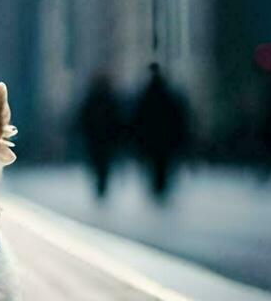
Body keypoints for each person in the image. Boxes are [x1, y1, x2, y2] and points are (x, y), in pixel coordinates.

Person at [129, 63, 189, 201]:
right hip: (166, 139)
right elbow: (179, 118)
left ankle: (157, 188)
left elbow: (137, 119)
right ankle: (160, 188)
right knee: (162, 164)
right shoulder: (170, 95)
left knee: (154, 164)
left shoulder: (145, 96)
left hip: (151, 139)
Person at [75, 74, 121, 199]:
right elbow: (117, 120)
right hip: (104, 140)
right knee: (103, 164)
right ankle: (102, 186)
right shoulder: (110, 99)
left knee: (98, 164)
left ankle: (100, 186)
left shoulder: (92, 99)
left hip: (95, 140)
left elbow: (83, 118)